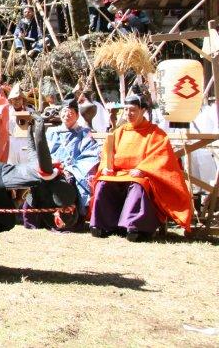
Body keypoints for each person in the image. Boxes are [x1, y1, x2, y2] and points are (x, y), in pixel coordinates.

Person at [89, 94, 192, 241]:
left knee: (138, 184)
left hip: (143, 175)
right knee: (103, 182)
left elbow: (160, 157)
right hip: (119, 173)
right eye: (125, 110)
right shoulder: (119, 132)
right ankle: (103, 225)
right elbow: (107, 153)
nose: (128, 114)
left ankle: (136, 227)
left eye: (132, 110)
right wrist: (106, 166)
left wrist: (143, 169)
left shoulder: (156, 133)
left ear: (143, 110)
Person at [22, 99, 100, 230]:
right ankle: (37, 220)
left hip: (73, 171)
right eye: (64, 111)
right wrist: (51, 165)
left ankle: (68, 221)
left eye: (71, 112)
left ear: (77, 115)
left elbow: (90, 154)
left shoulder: (84, 133)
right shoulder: (52, 132)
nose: (67, 114)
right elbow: (46, 152)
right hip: (51, 168)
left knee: (65, 185)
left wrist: (68, 168)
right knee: (39, 182)